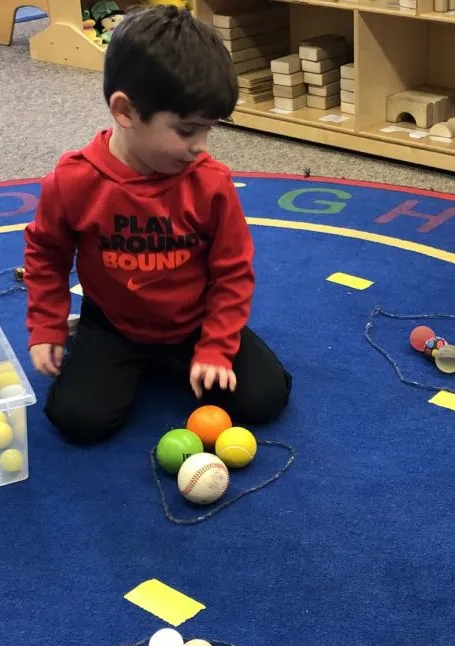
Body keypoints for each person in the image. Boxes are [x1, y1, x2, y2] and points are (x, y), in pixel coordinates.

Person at [22, 5, 291, 445]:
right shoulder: (72, 182)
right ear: (125, 111)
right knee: (79, 422)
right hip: (114, 325)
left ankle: (181, 360)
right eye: (186, 131)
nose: (200, 147)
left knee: (265, 400)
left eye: (208, 130)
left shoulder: (211, 182)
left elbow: (233, 272)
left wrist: (217, 346)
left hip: (195, 322)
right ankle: (120, 355)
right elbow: (45, 255)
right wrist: (47, 326)